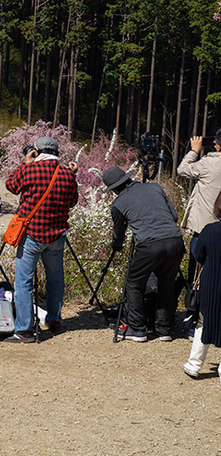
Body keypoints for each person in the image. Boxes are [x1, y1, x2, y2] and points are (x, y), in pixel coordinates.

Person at [3, 135, 80, 343]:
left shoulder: (30, 169)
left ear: (36, 151)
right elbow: (72, 201)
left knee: (24, 282)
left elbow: (11, 185)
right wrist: (72, 175)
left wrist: (25, 163)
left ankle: (24, 330)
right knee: (55, 279)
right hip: (57, 236)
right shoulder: (66, 174)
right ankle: (54, 319)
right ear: (57, 153)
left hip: (32, 235)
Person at [104, 165, 186, 342]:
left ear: (114, 189)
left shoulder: (118, 204)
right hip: (175, 241)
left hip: (149, 245)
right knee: (167, 284)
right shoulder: (155, 187)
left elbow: (118, 233)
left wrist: (116, 246)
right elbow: (173, 216)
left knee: (134, 283)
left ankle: (137, 328)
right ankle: (163, 329)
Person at [177, 133, 221, 308]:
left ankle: (194, 321)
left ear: (217, 145)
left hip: (204, 230)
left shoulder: (208, 163)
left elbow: (182, 170)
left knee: (197, 275)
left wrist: (194, 151)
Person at [183, 219, 221, 379]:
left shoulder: (210, 229)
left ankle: (194, 364)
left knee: (203, 321)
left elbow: (198, 255)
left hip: (211, 283)